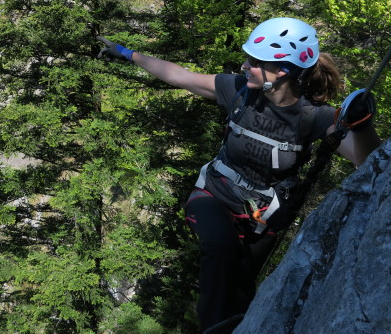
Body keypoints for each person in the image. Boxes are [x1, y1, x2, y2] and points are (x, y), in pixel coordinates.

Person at [97, 17, 381, 333]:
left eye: (255, 62)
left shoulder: (312, 117)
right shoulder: (239, 92)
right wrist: (128, 53)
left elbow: (365, 160)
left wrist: (363, 125)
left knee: (241, 289)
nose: (245, 66)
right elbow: (180, 76)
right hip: (213, 195)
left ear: (282, 71)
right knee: (219, 248)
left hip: (263, 218)